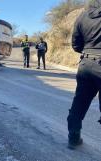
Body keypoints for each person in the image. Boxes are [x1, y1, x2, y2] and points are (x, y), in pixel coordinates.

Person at [67, 0, 101, 150]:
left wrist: (88, 52)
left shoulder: (82, 16)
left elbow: (75, 44)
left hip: (86, 63)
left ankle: (73, 137)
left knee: (80, 101)